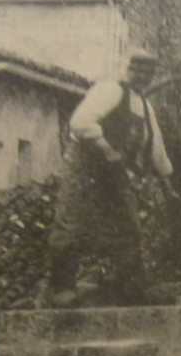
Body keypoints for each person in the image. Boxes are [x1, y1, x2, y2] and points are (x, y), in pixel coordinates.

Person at [44, 50, 173, 308]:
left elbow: (156, 149)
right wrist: (105, 148)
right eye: (139, 71)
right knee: (71, 220)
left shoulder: (145, 107)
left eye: (149, 74)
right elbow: (80, 123)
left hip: (113, 169)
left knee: (128, 223)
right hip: (85, 163)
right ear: (130, 70)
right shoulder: (110, 90)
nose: (143, 78)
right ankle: (60, 289)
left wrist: (167, 184)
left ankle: (130, 287)